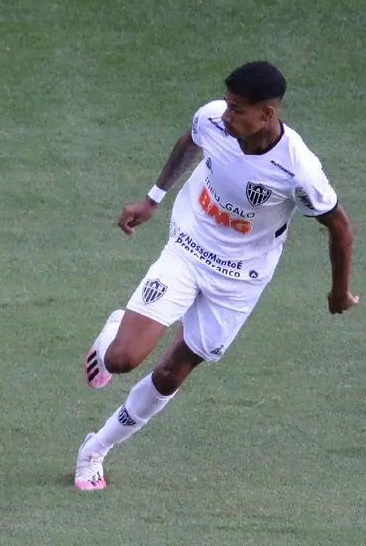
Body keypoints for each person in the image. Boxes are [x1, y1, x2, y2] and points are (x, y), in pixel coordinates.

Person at [74, 61, 356, 490]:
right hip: (188, 247)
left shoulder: (299, 171)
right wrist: (153, 198)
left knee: (172, 374)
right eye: (226, 103)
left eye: (237, 109)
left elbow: (339, 227)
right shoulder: (214, 121)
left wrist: (340, 291)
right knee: (121, 359)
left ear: (267, 113)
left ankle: (95, 448)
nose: (225, 115)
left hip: (240, 280)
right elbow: (192, 139)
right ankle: (117, 328)